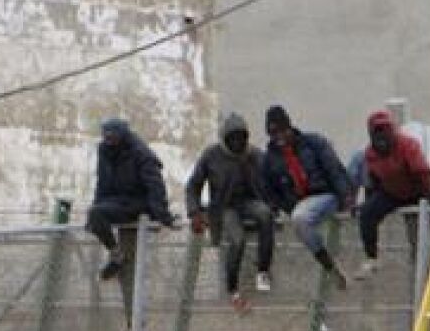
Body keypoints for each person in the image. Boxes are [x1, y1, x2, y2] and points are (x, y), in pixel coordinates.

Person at [87, 118, 176, 319]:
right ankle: (116, 253)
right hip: (116, 200)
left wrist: (162, 216)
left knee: (133, 275)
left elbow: (155, 186)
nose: (109, 141)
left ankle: (135, 322)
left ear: (122, 136)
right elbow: (102, 183)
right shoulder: (104, 152)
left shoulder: (140, 153)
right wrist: (96, 209)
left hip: (138, 201)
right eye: (107, 138)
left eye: (113, 138)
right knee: (95, 214)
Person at [186, 112, 276, 311]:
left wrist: (277, 202)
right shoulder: (211, 155)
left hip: (248, 202)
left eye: (241, 138)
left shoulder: (254, 155)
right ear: (225, 138)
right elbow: (193, 186)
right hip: (223, 207)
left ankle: (262, 270)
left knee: (265, 215)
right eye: (232, 138)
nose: (237, 143)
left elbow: (272, 177)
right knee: (237, 239)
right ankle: (233, 287)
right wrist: (194, 212)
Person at [260, 105, 355, 288]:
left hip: (325, 196)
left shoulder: (313, 143)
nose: (279, 137)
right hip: (299, 203)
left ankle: (331, 263)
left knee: (300, 218)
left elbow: (333, 168)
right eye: (273, 134)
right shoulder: (270, 160)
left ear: (289, 127)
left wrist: (346, 196)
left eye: (282, 131)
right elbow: (269, 191)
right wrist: (277, 208)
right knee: (300, 219)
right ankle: (330, 266)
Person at [354, 110, 430, 279]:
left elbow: (422, 172)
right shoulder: (370, 153)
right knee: (367, 214)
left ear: (392, 131)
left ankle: (421, 268)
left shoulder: (408, 145)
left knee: (417, 234)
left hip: (417, 191)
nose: (381, 137)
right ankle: (372, 257)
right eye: (377, 132)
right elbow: (373, 179)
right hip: (391, 192)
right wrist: (368, 202)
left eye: (385, 131)